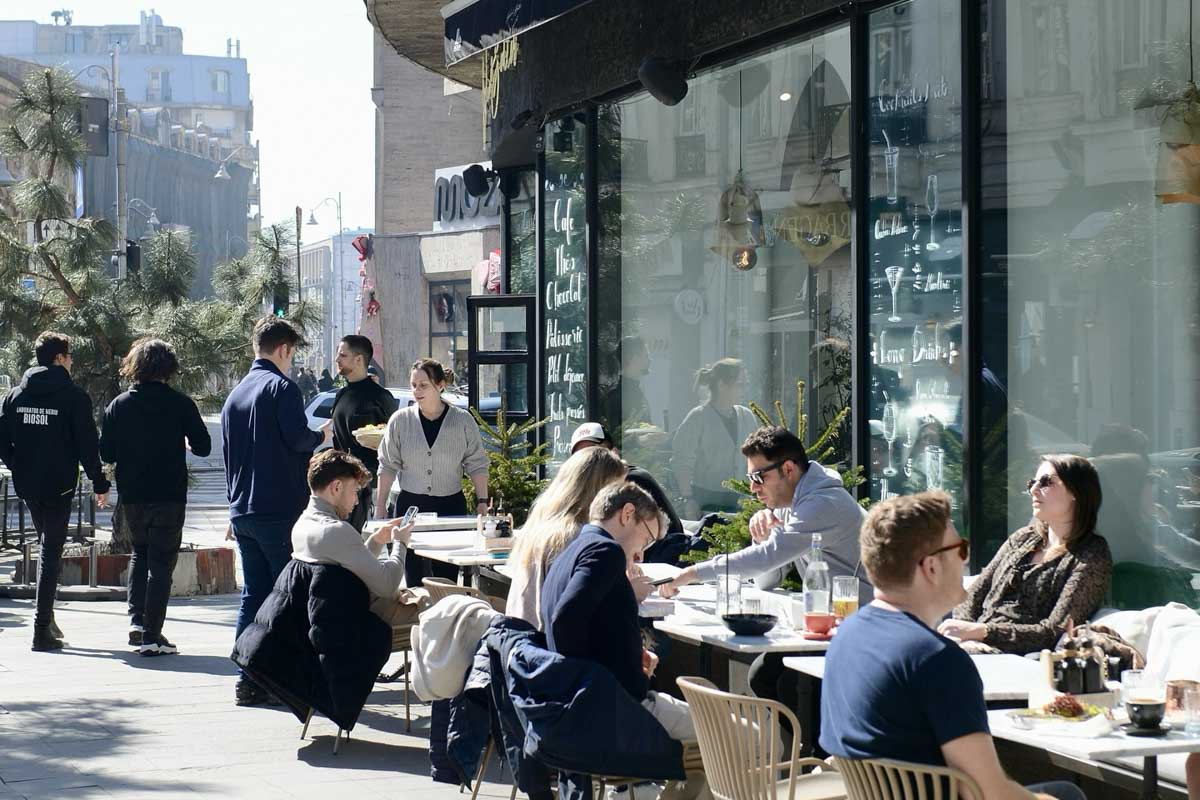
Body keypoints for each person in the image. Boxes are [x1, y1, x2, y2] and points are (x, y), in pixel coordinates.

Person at [820, 491, 1086, 800]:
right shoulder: (935, 660)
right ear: (931, 567)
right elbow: (989, 792)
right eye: (960, 549)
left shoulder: (847, 635)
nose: (966, 558)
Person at [660, 425, 868, 729]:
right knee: (763, 675)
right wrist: (764, 538)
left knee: (788, 685)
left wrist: (691, 573)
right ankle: (803, 761)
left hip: (857, 626)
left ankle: (823, 763)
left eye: (759, 477)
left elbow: (763, 561)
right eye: (750, 478)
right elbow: (767, 578)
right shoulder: (795, 503)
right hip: (826, 625)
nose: (754, 488)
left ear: (788, 469)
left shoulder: (822, 504)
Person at [222, 317, 332, 706]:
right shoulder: (281, 388)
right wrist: (323, 436)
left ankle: (246, 677)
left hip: (243, 510)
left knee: (253, 594)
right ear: (284, 349)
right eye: (292, 353)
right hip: (278, 509)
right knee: (287, 596)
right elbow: (297, 439)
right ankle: (286, 680)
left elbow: (230, 456)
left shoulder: (236, 394)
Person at [540, 482, 695, 742]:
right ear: (627, 514)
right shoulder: (605, 551)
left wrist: (630, 654)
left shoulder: (575, 546)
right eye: (646, 539)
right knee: (757, 736)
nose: (642, 555)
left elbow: (590, 622)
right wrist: (591, 684)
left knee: (713, 747)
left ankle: (648, 783)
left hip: (587, 705)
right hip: (614, 709)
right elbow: (565, 621)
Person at [99, 338, 211, 656]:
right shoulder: (180, 403)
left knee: (140, 554)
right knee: (162, 563)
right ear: (169, 368)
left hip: (133, 494)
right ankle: (152, 634)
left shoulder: (119, 405)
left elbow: (106, 451)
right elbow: (203, 446)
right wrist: (184, 443)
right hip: (169, 494)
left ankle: (136, 622)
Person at [0, 332, 110, 652]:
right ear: (60, 358)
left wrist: (18, 465)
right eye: (70, 356)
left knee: (46, 547)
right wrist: (99, 482)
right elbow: (87, 446)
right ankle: (40, 628)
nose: (72, 362)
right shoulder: (73, 397)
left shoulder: (15, 396)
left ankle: (47, 619)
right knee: (50, 552)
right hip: (59, 485)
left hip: (29, 485)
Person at [939, 454, 1111, 655]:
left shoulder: (1091, 555)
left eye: (1046, 482)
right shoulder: (1023, 538)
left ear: (1077, 492)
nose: (1033, 489)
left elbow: (1053, 631)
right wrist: (963, 634)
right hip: (971, 645)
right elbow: (974, 594)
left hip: (1020, 657)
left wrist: (983, 632)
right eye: (1032, 482)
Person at [375, 357, 488, 585]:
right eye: (414, 385)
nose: (417, 391)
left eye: (423, 385)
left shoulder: (463, 420)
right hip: (410, 506)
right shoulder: (400, 421)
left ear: (440, 386)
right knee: (413, 575)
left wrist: (482, 500)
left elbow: (477, 463)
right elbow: (387, 465)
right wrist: (379, 507)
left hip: (449, 505)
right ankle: (416, 618)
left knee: (445, 576)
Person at [290, 449, 418, 625]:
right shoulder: (336, 530)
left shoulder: (302, 524)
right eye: (355, 491)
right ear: (336, 487)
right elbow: (388, 585)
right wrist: (400, 543)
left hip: (331, 616)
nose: (356, 501)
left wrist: (376, 540)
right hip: (359, 620)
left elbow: (348, 568)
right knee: (446, 608)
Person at [505, 446, 629, 626]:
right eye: (618, 491)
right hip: (545, 646)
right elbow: (578, 607)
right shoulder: (576, 537)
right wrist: (631, 592)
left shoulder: (541, 525)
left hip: (519, 642)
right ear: (599, 492)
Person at [670, 357, 758, 518]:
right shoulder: (698, 417)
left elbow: (757, 458)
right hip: (706, 500)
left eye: (746, 385)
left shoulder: (747, 416)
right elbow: (682, 461)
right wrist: (688, 499)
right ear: (722, 385)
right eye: (740, 385)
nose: (745, 390)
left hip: (741, 499)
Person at [330, 335, 396, 532]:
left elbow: (398, 440)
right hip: (341, 483)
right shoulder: (341, 395)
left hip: (370, 487)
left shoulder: (381, 397)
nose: (337, 360)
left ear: (359, 359)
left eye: (343, 355)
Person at [570, 421, 682, 535]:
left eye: (595, 454)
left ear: (614, 453)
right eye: (580, 457)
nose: (588, 462)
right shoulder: (576, 492)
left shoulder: (632, 481)